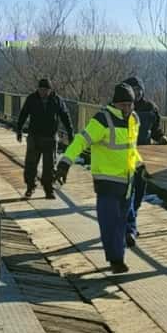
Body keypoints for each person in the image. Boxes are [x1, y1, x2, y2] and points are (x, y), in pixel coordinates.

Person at [54, 83, 143, 274]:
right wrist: (65, 162)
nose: (127, 109)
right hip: (107, 182)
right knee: (109, 222)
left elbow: (131, 149)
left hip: (127, 182)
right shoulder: (103, 119)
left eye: (130, 105)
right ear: (115, 103)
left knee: (120, 223)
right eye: (123, 105)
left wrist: (140, 166)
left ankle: (117, 258)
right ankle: (116, 260)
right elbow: (81, 140)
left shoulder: (134, 120)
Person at [122, 76, 167, 248]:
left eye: (138, 89)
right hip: (126, 155)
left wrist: (161, 137)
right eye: (133, 89)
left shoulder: (151, 108)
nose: (136, 93)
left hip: (144, 155)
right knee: (129, 191)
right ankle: (129, 228)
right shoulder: (122, 106)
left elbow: (155, 129)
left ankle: (130, 221)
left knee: (139, 192)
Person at [16, 78, 74, 199]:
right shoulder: (31, 99)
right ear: (38, 89)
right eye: (41, 89)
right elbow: (23, 114)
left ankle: (49, 189)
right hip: (34, 137)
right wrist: (19, 130)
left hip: (50, 137)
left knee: (49, 166)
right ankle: (30, 187)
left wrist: (70, 132)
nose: (43, 92)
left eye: (45, 90)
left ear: (50, 90)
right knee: (31, 164)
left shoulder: (57, 100)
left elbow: (65, 116)